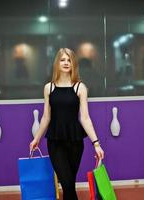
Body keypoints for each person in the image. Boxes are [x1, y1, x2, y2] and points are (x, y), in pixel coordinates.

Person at [30, 48, 104, 200]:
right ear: (57, 63)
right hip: (55, 142)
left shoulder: (80, 87)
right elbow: (46, 117)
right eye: (62, 59)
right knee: (67, 184)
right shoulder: (49, 88)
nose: (65, 63)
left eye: (69, 60)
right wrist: (36, 138)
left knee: (69, 184)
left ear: (73, 64)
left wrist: (96, 143)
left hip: (75, 142)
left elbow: (85, 118)